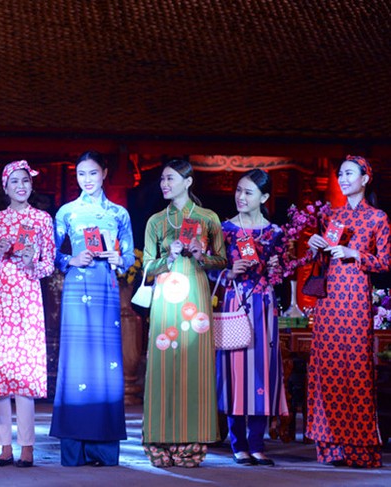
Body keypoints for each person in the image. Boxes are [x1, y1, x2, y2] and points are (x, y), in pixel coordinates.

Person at [49, 151, 135, 467]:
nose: (87, 179)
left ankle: (103, 448)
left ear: (104, 173)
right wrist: (70, 259)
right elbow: (52, 254)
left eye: (93, 173)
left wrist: (118, 259)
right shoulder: (67, 213)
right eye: (82, 174)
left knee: (105, 362)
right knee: (77, 362)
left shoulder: (118, 213)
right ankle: (74, 449)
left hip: (106, 287)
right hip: (76, 286)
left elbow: (128, 257)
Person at [141, 159, 226, 468]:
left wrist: (202, 255)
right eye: (162, 179)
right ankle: (158, 441)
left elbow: (222, 260)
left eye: (171, 178)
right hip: (165, 300)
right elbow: (146, 268)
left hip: (196, 299)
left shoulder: (208, 219)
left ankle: (192, 445)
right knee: (163, 366)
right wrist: (170, 254)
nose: (165, 184)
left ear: (188, 182)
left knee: (196, 369)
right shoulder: (156, 222)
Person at [306, 155, 390, 468]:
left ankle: (359, 449)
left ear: (365, 179)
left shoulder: (378, 217)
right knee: (327, 369)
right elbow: (324, 260)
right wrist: (316, 248)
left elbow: (386, 262)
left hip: (355, 301)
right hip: (329, 301)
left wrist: (355, 252)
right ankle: (332, 448)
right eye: (340, 173)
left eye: (349, 173)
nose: (342, 179)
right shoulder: (334, 216)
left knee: (355, 370)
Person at [0, 160, 56, 468]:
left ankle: (27, 448)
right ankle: (4, 448)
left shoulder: (42, 219)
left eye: (25, 181)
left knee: (23, 376)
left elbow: (49, 264)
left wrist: (30, 263)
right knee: (0, 376)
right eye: (15, 182)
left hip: (26, 300)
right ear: (5, 186)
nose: (21, 186)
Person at [214, 169, 288, 466]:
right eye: (239, 191)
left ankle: (258, 442)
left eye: (248, 192)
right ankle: (237, 442)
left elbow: (280, 274)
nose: (241, 197)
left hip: (264, 306)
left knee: (262, 372)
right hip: (234, 303)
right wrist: (228, 272)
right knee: (235, 374)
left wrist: (275, 268)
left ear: (264, 197)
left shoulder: (275, 233)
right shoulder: (224, 229)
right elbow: (209, 266)